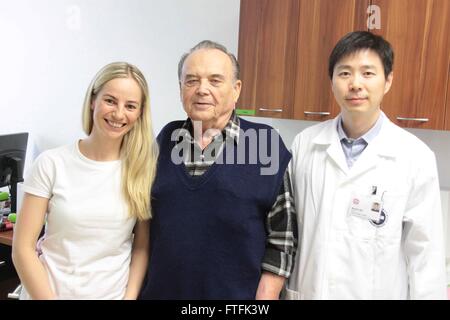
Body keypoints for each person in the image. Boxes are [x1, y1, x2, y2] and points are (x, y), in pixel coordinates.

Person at [284, 31, 447, 299]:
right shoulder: (305, 144)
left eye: (368, 73)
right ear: (332, 81)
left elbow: (425, 256)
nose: (355, 84)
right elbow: (287, 232)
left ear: (388, 80)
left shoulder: (414, 156)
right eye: (345, 73)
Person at [139, 40, 297, 299]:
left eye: (215, 80)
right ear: (180, 89)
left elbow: (283, 237)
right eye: (191, 81)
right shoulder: (167, 138)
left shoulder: (264, 144)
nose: (202, 90)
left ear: (236, 90)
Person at [12, 62, 158, 299]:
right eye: (110, 100)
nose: (119, 114)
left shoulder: (142, 170)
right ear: (93, 101)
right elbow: (22, 249)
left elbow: (141, 247)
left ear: (140, 113)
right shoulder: (51, 163)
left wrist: (129, 298)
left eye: (130, 106)